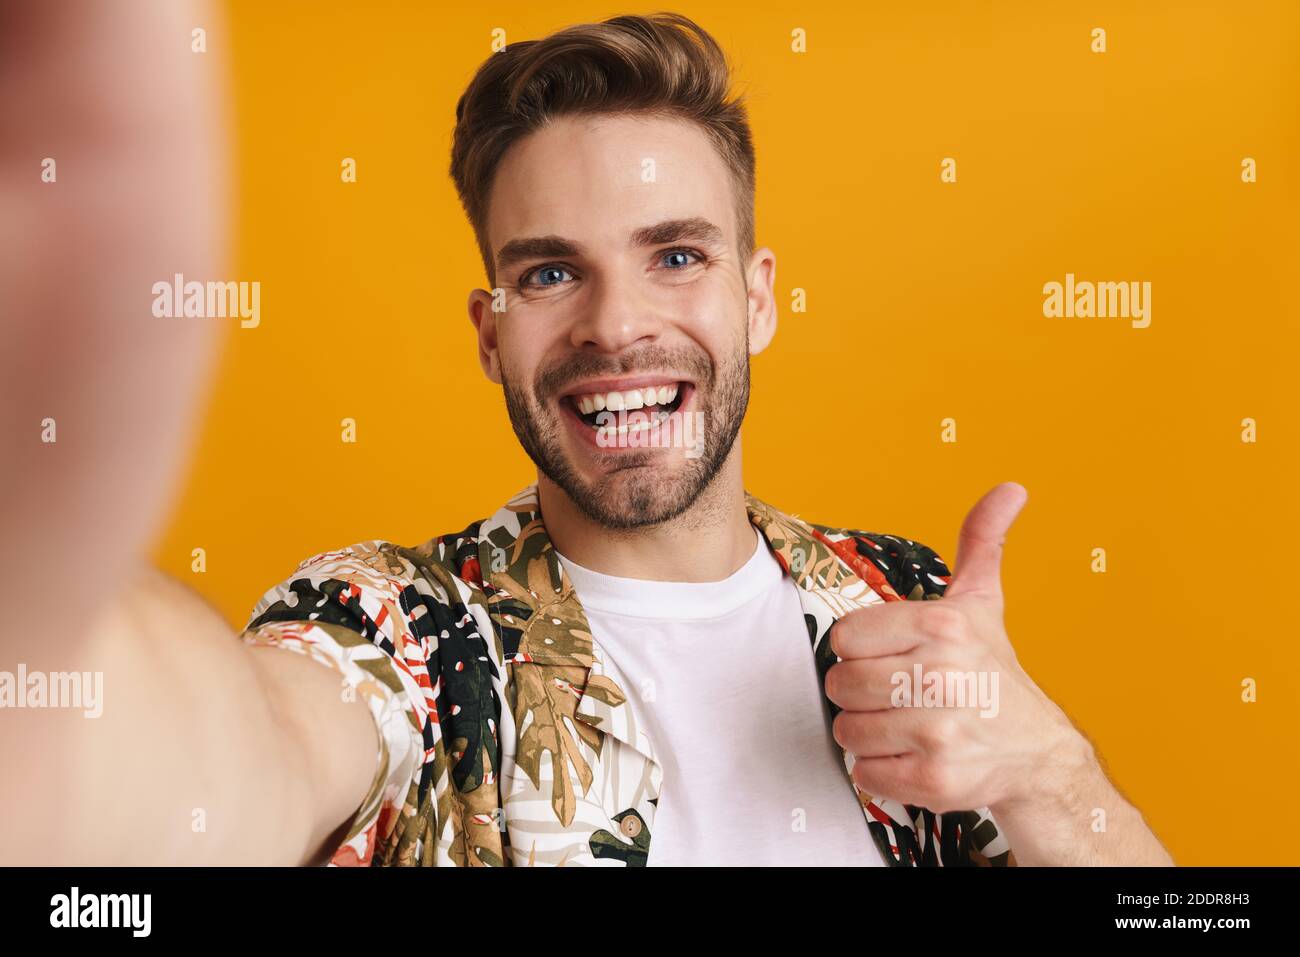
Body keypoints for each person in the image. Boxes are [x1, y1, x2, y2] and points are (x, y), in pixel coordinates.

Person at [1, 7, 1174, 867]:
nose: (616, 325)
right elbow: (225, 761)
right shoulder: (400, 636)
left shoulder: (901, 608)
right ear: (489, 330)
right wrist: (40, 628)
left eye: (677, 255)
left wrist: (1045, 771)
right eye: (552, 271)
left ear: (756, 296)